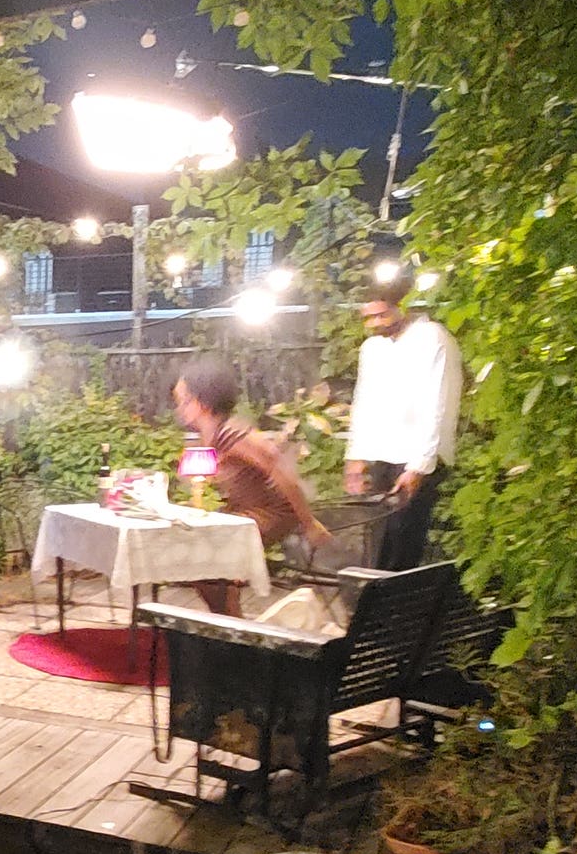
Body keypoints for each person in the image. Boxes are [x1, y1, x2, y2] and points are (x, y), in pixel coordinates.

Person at [172, 355, 331, 615]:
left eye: (184, 400)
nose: (180, 408)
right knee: (194, 552)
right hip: (241, 513)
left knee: (204, 552)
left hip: (271, 513)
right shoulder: (209, 436)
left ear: (202, 401)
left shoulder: (233, 434)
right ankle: (228, 621)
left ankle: (231, 623)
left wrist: (309, 522)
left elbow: (282, 473)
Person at [342, 247, 463, 571]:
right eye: (369, 317)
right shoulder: (373, 347)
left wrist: (419, 466)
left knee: (404, 541)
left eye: (382, 315)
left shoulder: (433, 338)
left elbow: (438, 403)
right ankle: (372, 608)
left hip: (416, 458)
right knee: (376, 538)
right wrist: (355, 456)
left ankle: (397, 613)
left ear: (402, 307)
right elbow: (364, 401)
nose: (375, 324)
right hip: (380, 453)